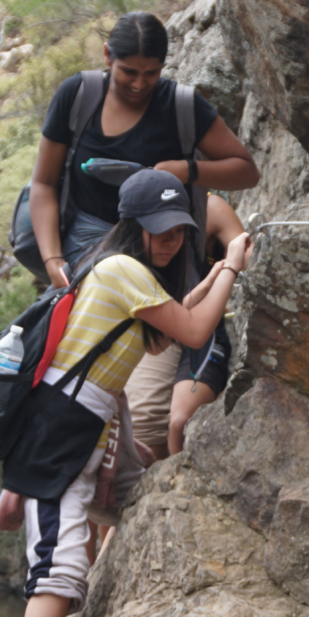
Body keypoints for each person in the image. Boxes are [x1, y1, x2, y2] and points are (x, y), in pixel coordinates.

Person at [0, 170, 253, 617]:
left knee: (151, 498)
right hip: (60, 433)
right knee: (59, 567)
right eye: (158, 231)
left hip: (93, 425)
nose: (168, 242)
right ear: (133, 227)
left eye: (177, 233)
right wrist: (232, 266)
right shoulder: (120, 271)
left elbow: (161, 332)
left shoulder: (123, 275)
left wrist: (213, 273)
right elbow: (190, 333)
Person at [29, 10, 259, 288]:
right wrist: (52, 259)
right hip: (85, 252)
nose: (139, 84)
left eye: (151, 73)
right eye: (128, 72)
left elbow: (247, 172)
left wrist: (187, 171)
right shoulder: (77, 96)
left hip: (162, 256)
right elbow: (44, 183)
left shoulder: (181, 108)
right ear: (107, 56)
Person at [124, 192, 245, 460]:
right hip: (161, 321)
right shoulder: (132, 211)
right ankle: (158, 487)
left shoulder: (210, 206)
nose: (171, 241)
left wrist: (235, 261)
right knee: (143, 425)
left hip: (202, 328)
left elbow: (194, 329)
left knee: (180, 421)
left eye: (179, 231)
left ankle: (177, 479)